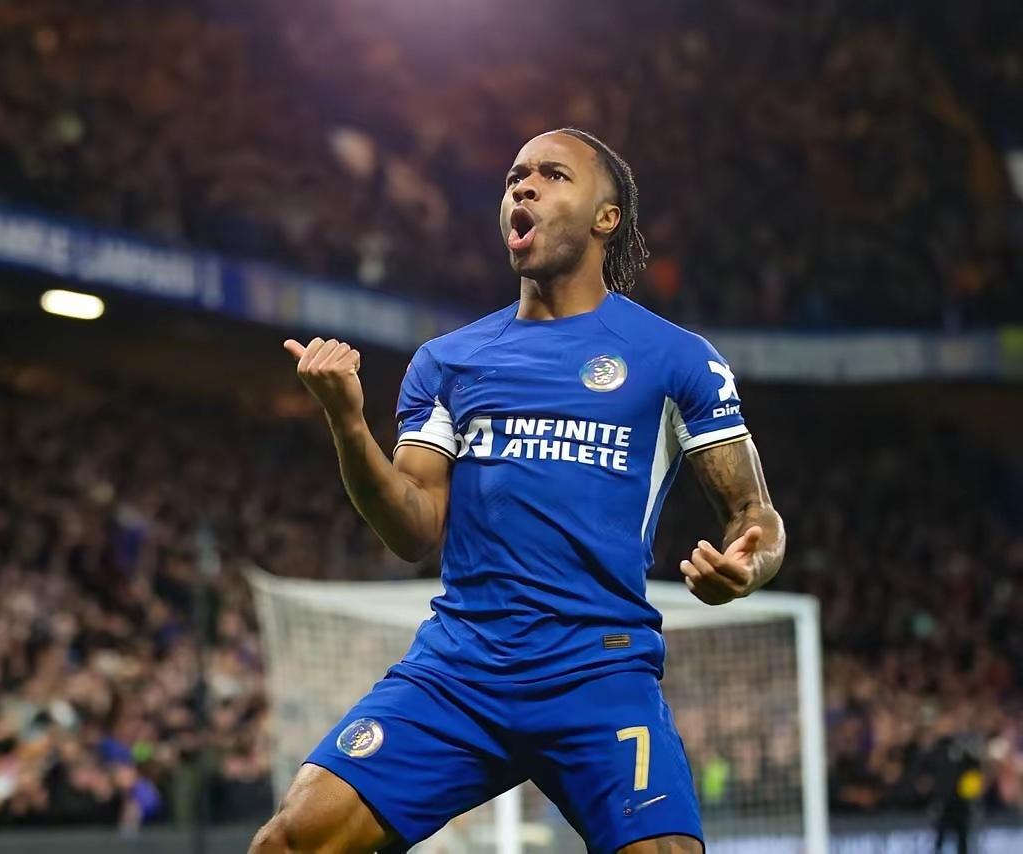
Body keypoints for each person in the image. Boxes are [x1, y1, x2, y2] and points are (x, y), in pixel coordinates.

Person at [253, 128, 786, 854]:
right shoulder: (448, 361)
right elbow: (413, 530)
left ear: (606, 217)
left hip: (598, 670)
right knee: (289, 842)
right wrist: (348, 424)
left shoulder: (676, 358)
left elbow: (754, 513)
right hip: (461, 669)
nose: (522, 187)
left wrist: (749, 566)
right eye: (514, 177)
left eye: (552, 175)